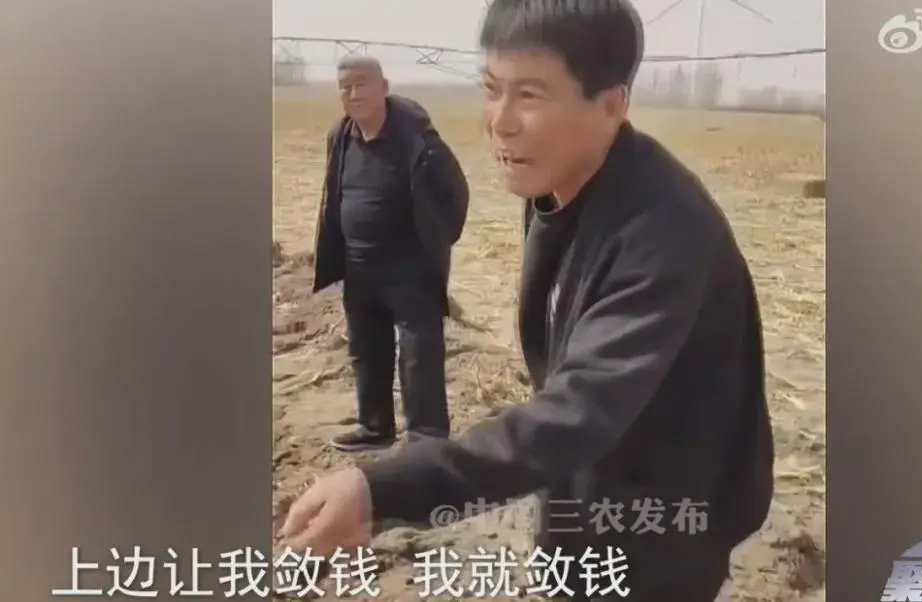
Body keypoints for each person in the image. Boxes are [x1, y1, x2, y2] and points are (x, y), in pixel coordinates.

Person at [284, 1, 774, 600]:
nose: (500, 122)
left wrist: (379, 491)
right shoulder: (561, 182)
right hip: (588, 485)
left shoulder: (664, 232)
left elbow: (578, 409)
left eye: (531, 96)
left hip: (665, 520)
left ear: (612, 105)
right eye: (492, 90)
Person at [311, 55, 469, 451]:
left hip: (410, 267)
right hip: (359, 264)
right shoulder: (341, 136)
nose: (353, 93)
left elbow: (455, 192)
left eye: (361, 83)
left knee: (419, 352)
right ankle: (375, 427)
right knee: (366, 348)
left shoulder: (417, 139)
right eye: (345, 86)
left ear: (384, 86)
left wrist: (437, 241)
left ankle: (427, 438)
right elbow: (334, 193)